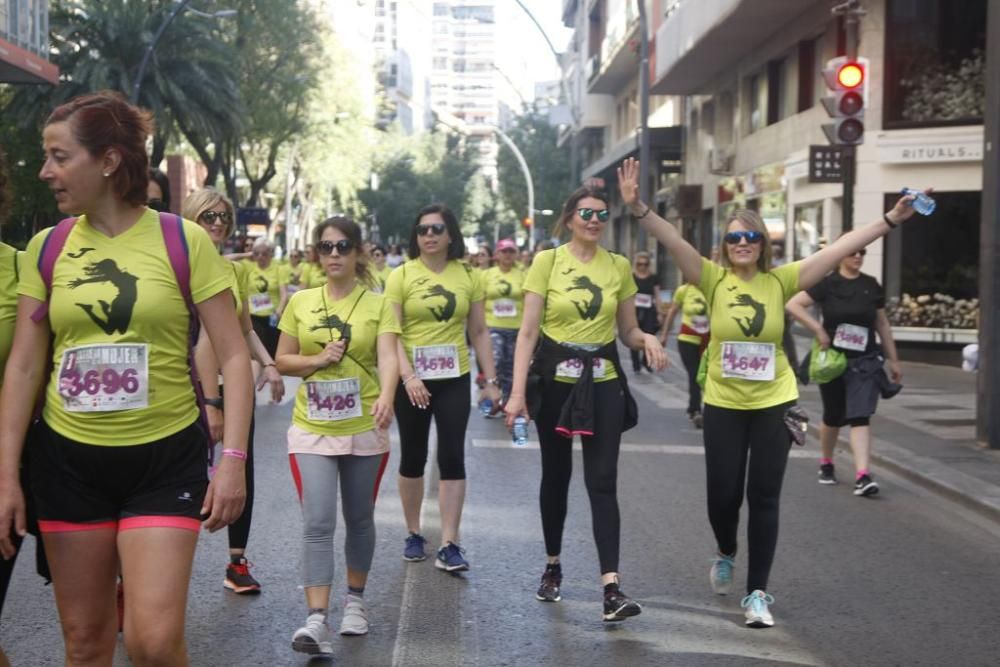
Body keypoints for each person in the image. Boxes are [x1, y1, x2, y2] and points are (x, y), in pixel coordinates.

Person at [619, 156, 928, 628]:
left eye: (752, 237)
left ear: (764, 244)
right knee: (722, 495)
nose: (743, 244)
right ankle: (726, 549)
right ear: (725, 246)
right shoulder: (710, 277)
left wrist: (889, 220)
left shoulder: (783, 279)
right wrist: (639, 206)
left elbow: (842, 246)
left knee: (764, 496)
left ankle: (757, 593)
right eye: (734, 237)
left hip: (774, 401)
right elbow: (672, 239)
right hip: (722, 400)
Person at [0, 91, 253, 664]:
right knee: (86, 643)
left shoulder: (181, 240)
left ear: (108, 160)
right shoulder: (49, 248)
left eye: (60, 157)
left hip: (163, 462)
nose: (46, 172)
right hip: (68, 464)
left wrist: (233, 459)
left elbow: (235, 356)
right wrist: (5, 474)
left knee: (153, 642)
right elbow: (23, 365)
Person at [504, 186, 666, 622]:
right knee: (556, 476)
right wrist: (517, 394)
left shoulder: (619, 266)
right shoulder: (547, 262)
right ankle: (553, 565)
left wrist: (646, 338)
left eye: (601, 214)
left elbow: (628, 330)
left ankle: (611, 588)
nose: (594, 220)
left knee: (603, 480)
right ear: (570, 217)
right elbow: (527, 334)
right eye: (586, 213)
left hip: (604, 381)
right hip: (555, 381)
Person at [276, 216, 399, 656]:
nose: (333, 254)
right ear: (316, 253)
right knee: (318, 521)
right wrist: (316, 359)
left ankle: (356, 602)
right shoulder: (300, 302)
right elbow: (282, 360)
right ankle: (315, 619)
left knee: (360, 518)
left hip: (364, 426)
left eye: (342, 246)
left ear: (357, 253)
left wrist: (387, 395)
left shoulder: (378, 304)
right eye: (325, 247)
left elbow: (388, 356)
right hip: (312, 428)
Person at [385, 204, 501, 572]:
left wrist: (491, 381)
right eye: (422, 230)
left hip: (454, 378)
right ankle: (414, 532)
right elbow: (391, 334)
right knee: (413, 458)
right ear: (415, 236)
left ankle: (450, 542)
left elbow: (479, 332)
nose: (429, 235)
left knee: (452, 456)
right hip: (412, 382)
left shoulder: (469, 275)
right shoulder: (401, 275)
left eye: (437, 229)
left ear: (451, 234)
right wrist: (408, 377)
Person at [183, 188, 285, 594]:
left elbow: (241, 330)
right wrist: (209, 403)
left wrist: (271, 363)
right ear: (191, 218)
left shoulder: (235, 270)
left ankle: (237, 563)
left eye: (224, 217)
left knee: (240, 468)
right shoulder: (178, 264)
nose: (218, 224)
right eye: (209, 216)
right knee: (185, 478)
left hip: (234, 384)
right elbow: (204, 339)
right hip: (187, 391)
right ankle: (153, 568)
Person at [785, 246, 901, 495]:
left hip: (865, 361)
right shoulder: (828, 284)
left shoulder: (871, 284)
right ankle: (826, 462)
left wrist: (894, 359)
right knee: (834, 416)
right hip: (833, 361)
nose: (858, 256)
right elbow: (794, 304)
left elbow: (881, 323)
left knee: (861, 415)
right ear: (841, 256)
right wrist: (817, 329)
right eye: (853, 252)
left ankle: (862, 475)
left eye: (862, 252)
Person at [481, 238, 525, 413]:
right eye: (504, 251)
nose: (507, 255)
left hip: (516, 328)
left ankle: (506, 403)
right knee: (496, 360)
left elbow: (529, 301)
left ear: (516, 255)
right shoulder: (487, 275)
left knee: (511, 368)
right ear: (496, 254)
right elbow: (480, 301)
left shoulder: (523, 275)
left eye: (511, 251)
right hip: (493, 326)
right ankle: (491, 396)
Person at [660, 281, 710, 428]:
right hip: (687, 339)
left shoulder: (712, 287)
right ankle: (695, 410)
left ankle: (709, 409)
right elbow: (672, 312)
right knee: (694, 374)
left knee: (708, 376)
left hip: (708, 339)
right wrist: (664, 335)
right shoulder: (684, 290)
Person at [246, 238, 289, 360]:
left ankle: (271, 375)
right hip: (253, 315)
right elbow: (225, 260)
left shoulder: (279, 269)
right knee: (256, 353)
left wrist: (279, 311)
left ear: (271, 253)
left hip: (272, 316)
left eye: (264, 253)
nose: (260, 256)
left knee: (271, 350)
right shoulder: (249, 267)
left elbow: (284, 293)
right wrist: (246, 254)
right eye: (257, 253)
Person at [630, 252, 661, 373]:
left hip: (649, 311)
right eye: (639, 264)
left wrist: (660, 312)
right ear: (636, 264)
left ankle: (645, 360)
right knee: (634, 335)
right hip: (634, 310)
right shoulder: (631, 277)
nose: (642, 267)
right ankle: (636, 364)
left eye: (645, 264)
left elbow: (657, 295)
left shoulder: (653, 278)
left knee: (649, 335)